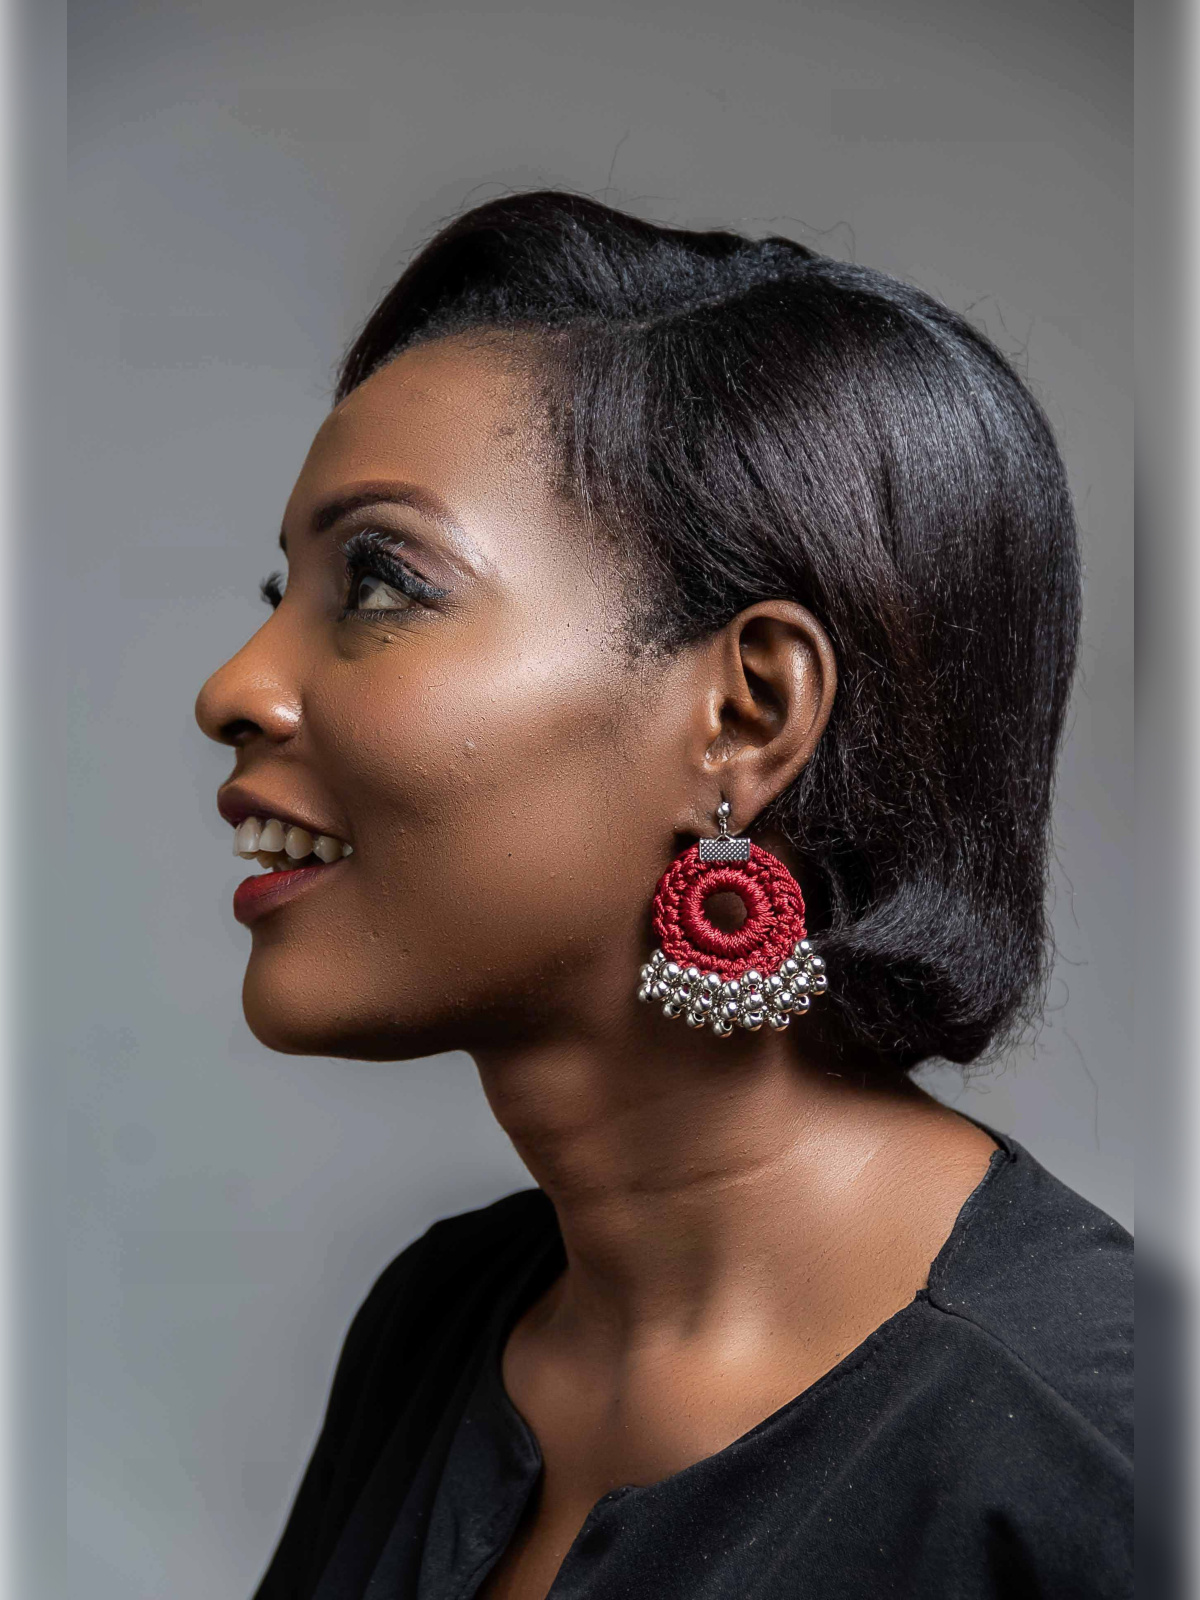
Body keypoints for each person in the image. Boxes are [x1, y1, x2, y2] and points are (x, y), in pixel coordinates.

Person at [195, 192, 1132, 1600]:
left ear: (747, 712)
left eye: (379, 586)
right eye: (279, 593)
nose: (234, 688)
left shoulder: (1102, 1454)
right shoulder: (441, 1325)